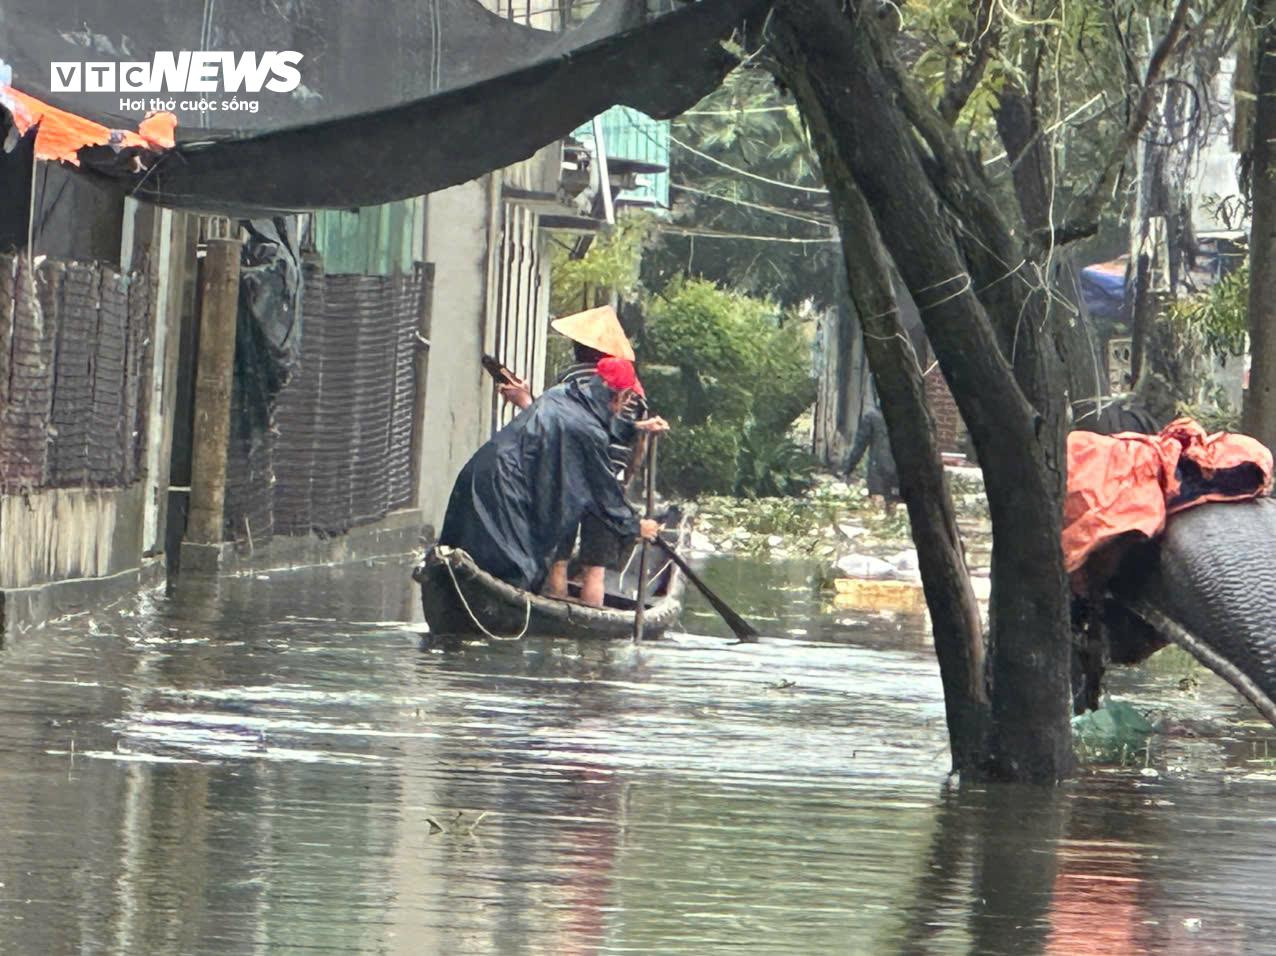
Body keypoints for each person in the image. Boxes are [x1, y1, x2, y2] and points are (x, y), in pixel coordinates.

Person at [438, 357, 666, 597]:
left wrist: (638, 427)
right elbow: (603, 491)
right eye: (628, 399)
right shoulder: (587, 430)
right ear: (621, 396)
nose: (625, 405)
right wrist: (635, 525)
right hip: (509, 489)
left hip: (480, 471)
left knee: (467, 553)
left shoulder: (560, 394)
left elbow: (596, 426)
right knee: (514, 569)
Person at [497, 305, 668, 606]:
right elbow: (633, 449)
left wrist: (526, 400)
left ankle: (555, 628)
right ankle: (589, 643)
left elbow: (557, 427)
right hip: (607, 487)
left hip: (567, 482)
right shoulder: (634, 391)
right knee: (595, 573)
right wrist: (623, 485)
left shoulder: (572, 381)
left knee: (558, 564)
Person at [844, 403, 900, 514]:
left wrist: (848, 468)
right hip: (898, 472)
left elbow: (860, 445)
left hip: (878, 471)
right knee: (895, 510)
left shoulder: (872, 416)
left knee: (877, 513)